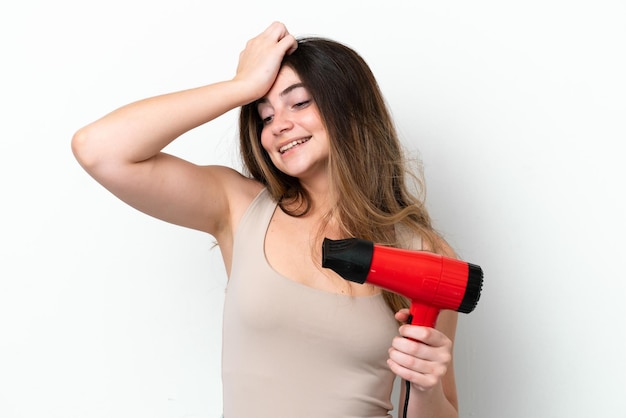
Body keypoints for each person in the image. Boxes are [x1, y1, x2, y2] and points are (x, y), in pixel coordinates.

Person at [72, 21, 460, 418]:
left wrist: (426, 386)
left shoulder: (425, 253)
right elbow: (99, 149)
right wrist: (241, 85)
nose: (279, 125)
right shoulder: (238, 208)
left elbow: (439, 409)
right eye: (264, 114)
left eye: (300, 102)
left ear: (348, 105)